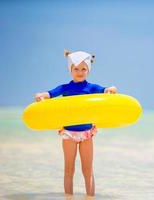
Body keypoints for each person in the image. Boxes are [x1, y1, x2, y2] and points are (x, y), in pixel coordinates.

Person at [34, 50, 117, 197]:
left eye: (83, 69)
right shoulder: (65, 88)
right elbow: (50, 93)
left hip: (86, 133)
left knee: (87, 170)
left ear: (88, 71)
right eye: (76, 69)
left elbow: (105, 90)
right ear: (70, 70)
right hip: (69, 133)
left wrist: (111, 89)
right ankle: (69, 197)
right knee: (69, 170)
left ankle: (90, 197)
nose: (80, 72)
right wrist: (41, 95)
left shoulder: (91, 88)